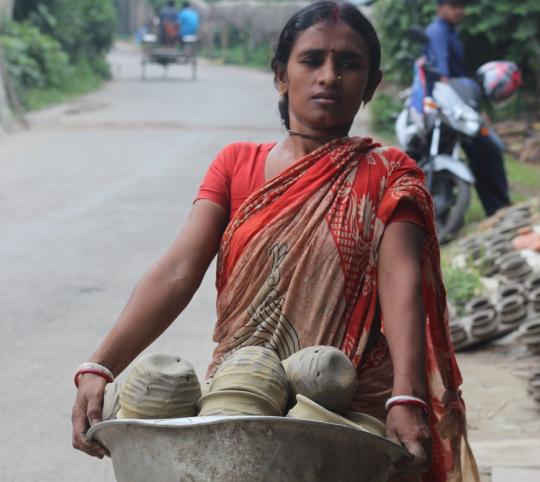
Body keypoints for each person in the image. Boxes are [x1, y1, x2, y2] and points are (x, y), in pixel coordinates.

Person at [71, 2, 478, 481]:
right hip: (242, 397)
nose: (330, 76)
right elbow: (179, 270)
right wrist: (99, 365)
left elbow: (399, 278)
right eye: (312, 60)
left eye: (349, 64)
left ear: (371, 84)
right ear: (281, 74)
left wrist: (406, 397)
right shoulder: (236, 164)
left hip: (345, 411)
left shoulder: (390, 175)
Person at [425, 0, 511, 217]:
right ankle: (498, 207)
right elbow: (443, 75)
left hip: (459, 102)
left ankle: (497, 208)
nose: (459, 11)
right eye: (454, 6)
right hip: (452, 104)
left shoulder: (451, 32)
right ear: (440, 6)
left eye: (462, 6)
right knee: (487, 149)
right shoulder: (437, 32)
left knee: (484, 151)